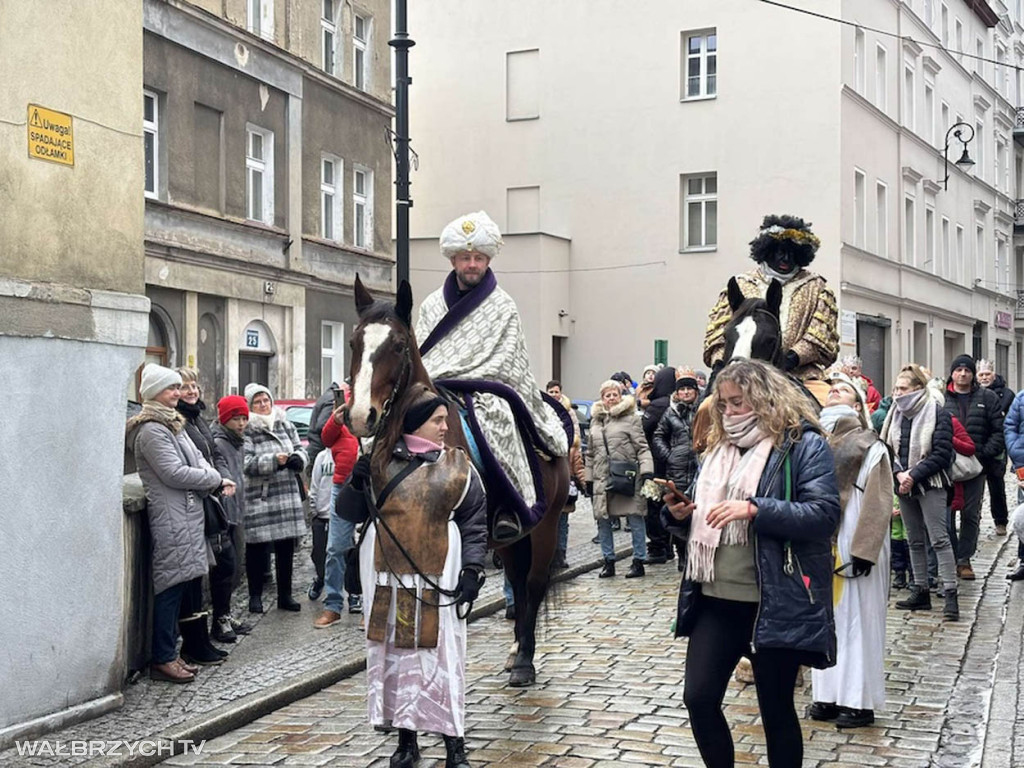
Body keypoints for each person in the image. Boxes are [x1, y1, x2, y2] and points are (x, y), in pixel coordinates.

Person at [662, 359, 839, 768]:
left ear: (764, 399)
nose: (727, 412)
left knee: (776, 712)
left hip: (774, 601)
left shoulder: (802, 444)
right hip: (714, 600)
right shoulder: (717, 451)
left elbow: (824, 514)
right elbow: (700, 519)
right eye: (722, 404)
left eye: (736, 403)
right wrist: (678, 514)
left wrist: (755, 508)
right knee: (699, 698)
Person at [339, 389, 487, 768]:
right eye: (437, 420)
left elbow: (474, 521)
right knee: (401, 657)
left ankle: (455, 744)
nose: (444, 427)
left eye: (444, 419)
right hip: (389, 578)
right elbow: (349, 513)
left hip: (440, 575)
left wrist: (473, 569)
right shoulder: (379, 462)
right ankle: (406, 742)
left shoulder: (458, 465)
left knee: (442, 656)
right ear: (415, 422)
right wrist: (356, 483)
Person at [415, 211, 568, 542]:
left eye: (479, 258)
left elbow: (508, 358)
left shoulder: (503, 305)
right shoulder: (431, 305)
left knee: (496, 421)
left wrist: (475, 378)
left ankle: (505, 506)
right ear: (454, 259)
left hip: (486, 388)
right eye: (466, 257)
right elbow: (422, 353)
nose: (472, 264)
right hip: (437, 387)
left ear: (487, 260)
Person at [126, 364, 233, 684]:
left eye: (178, 387)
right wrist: (213, 478)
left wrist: (206, 475)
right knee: (170, 588)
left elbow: (198, 459)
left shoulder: (173, 424)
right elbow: (173, 473)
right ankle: (163, 658)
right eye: (171, 388)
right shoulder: (151, 429)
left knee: (184, 584)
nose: (178, 392)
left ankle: (173, 653)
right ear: (154, 392)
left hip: (188, 515)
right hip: (172, 518)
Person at [809, 374, 892, 729]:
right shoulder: (813, 442)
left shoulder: (871, 446)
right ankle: (826, 695)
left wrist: (864, 550)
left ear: (858, 405)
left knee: (858, 620)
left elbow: (879, 501)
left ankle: (858, 700)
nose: (833, 393)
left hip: (854, 538)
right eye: (831, 390)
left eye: (842, 390)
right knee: (826, 619)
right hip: (823, 541)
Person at [703, 214, 839, 404]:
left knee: (829, 408)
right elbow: (719, 331)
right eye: (780, 251)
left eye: (792, 253)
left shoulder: (817, 288)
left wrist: (790, 358)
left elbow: (821, 336)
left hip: (801, 375)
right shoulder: (740, 284)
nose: (785, 258)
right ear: (767, 251)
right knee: (704, 411)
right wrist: (719, 363)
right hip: (737, 374)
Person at [880, 364, 957, 619]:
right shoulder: (894, 414)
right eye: (895, 388)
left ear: (917, 388)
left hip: (930, 483)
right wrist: (899, 474)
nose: (897, 393)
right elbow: (886, 449)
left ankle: (950, 593)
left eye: (902, 388)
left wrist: (913, 475)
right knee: (913, 539)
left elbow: (942, 454)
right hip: (903, 484)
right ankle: (920, 590)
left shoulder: (937, 412)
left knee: (939, 538)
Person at [175, 368, 235, 661]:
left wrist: (221, 477)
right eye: (184, 386)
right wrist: (213, 480)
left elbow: (213, 454)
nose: (191, 391)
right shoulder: (178, 423)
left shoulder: (199, 418)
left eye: (194, 385)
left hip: (214, 496)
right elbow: (187, 465)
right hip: (198, 501)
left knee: (226, 561)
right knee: (208, 568)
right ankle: (200, 636)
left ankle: (221, 618)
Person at [243, 383, 307, 614]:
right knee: (257, 548)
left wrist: (298, 459)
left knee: (285, 548)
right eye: (258, 402)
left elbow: (300, 448)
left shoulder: (285, 423)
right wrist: (274, 460)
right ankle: (255, 596)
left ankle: (285, 595)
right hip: (261, 496)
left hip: (286, 494)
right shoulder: (248, 429)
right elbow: (246, 462)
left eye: (266, 400)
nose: (263, 405)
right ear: (251, 406)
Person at [942, 355, 1005, 575]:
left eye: (967, 370)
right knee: (946, 514)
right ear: (952, 373)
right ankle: (948, 556)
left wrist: (984, 454)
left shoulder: (986, 398)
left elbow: (999, 431)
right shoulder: (941, 398)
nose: (963, 374)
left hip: (976, 467)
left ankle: (964, 559)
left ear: (972, 374)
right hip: (946, 466)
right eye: (958, 370)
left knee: (971, 514)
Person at [585, 380, 653, 579]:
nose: (611, 398)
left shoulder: (631, 419)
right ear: (602, 398)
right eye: (607, 395)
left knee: (635, 516)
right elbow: (589, 453)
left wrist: (647, 471)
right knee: (603, 520)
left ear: (620, 395)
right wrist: (588, 480)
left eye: (615, 394)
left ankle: (639, 560)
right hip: (601, 477)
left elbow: (642, 447)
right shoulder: (595, 421)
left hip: (627, 476)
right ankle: (608, 561)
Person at [313, 395, 362, 628]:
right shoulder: (342, 411)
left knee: (372, 548)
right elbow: (326, 438)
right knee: (335, 547)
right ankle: (333, 605)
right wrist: (336, 419)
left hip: (373, 484)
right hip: (343, 486)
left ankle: (371, 606)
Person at [210, 395, 254, 642]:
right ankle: (220, 619)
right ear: (226, 419)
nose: (241, 423)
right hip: (224, 515)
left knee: (236, 567)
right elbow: (221, 471)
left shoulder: (237, 442)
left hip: (236, 512)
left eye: (244, 418)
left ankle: (226, 614)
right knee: (225, 569)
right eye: (237, 418)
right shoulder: (220, 442)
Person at [652, 373, 701, 570]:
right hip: (678, 468)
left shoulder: (702, 410)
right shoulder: (670, 413)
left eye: (689, 389)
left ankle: (694, 551)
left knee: (697, 509)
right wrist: (669, 455)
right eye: (682, 389)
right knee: (680, 510)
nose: (686, 392)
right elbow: (658, 436)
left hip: (698, 465)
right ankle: (682, 554)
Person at [641, 366, 681, 564]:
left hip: (656, 463)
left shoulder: (658, 406)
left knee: (653, 504)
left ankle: (658, 547)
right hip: (674, 464)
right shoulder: (676, 404)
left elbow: (643, 429)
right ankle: (669, 546)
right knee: (669, 502)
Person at [546, 380, 586, 570]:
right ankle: (549, 554)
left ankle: (560, 554)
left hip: (566, 470)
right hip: (549, 470)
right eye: (550, 391)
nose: (554, 394)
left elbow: (575, 445)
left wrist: (581, 479)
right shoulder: (543, 410)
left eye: (556, 391)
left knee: (562, 520)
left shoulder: (568, 413)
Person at [977, 359, 1013, 535]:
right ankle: (974, 521)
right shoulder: (973, 393)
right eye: (981, 375)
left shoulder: (1006, 394)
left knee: (997, 487)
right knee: (974, 489)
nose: (984, 378)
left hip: (997, 448)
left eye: (987, 374)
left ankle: (1001, 521)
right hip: (977, 447)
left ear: (994, 374)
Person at [1002, 387, 1024, 580]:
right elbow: (1010, 425)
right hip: (1023, 465)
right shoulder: (1021, 398)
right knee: (1022, 517)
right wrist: (1017, 453)